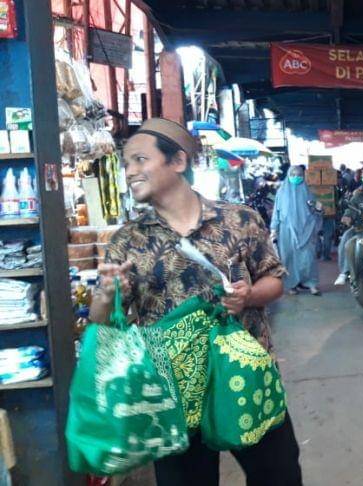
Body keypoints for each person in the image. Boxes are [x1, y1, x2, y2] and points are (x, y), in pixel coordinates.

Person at [90, 118, 302, 486]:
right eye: (126, 164)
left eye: (140, 160)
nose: (130, 171)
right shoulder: (128, 240)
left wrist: (248, 296)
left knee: (278, 475)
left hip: (245, 377)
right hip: (172, 391)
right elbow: (102, 322)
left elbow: (275, 280)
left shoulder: (239, 220)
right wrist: (106, 296)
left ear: (178, 161)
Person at [271, 165, 322, 296]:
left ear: (303, 176)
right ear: (288, 175)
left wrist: (319, 209)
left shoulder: (308, 192)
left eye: (299, 175)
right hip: (287, 231)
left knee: (308, 258)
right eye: (293, 175)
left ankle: (311, 284)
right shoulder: (281, 192)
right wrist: (273, 229)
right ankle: (292, 285)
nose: (296, 177)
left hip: (306, 230)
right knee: (289, 259)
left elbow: (316, 211)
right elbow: (276, 212)